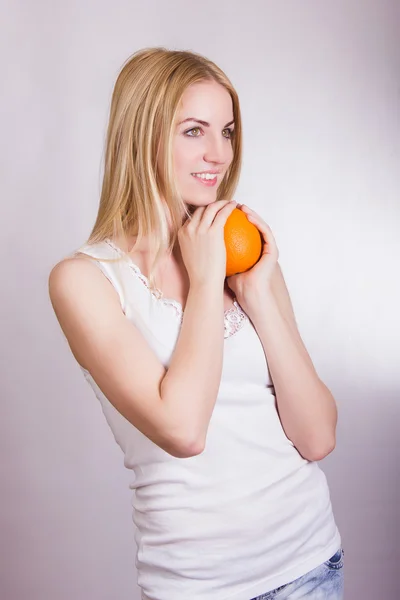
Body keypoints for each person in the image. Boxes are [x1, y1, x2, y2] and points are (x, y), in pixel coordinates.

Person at [49, 47, 344, 600]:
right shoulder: (85, 280)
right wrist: (208, 283)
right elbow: (183, 430)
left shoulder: (244, 252)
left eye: (227, 131)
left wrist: (256, 292)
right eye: (193, 131)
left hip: (310, 564)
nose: (219, 154)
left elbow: (318, 435)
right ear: (142, 135)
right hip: (199, 586)